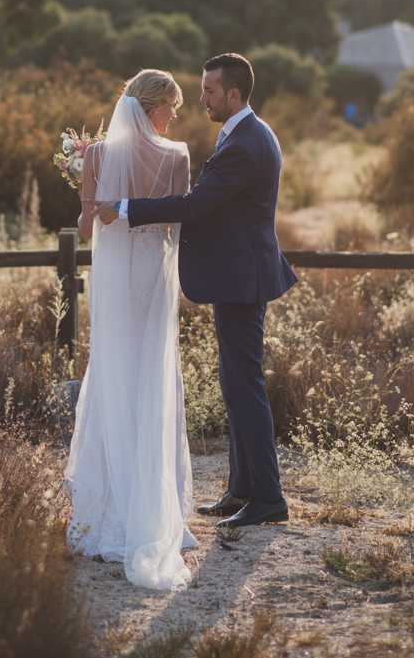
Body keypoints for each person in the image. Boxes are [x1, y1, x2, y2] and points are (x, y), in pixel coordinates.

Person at [97, 53, 297, 529]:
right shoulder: (246, 134)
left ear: (232, 94)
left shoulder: (247, 143)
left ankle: (269, 498)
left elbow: (197, 205)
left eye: (208, 92)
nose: (200, 99)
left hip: (242, 278)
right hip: (237, 275)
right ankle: (242, 489)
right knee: (235, 383)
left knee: (246, 387)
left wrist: (123, 206)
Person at [64, 68, 197, 590]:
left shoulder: (96, 156)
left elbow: (84, 228)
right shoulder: (178, 156)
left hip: (114, 283)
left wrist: (89, 197)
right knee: (151, 377)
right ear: (153, 106)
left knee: (113, 372)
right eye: (172, 108)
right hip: (152, 279)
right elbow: (175, 222)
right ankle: (151, 508)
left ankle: (109, 514)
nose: (175, 118)